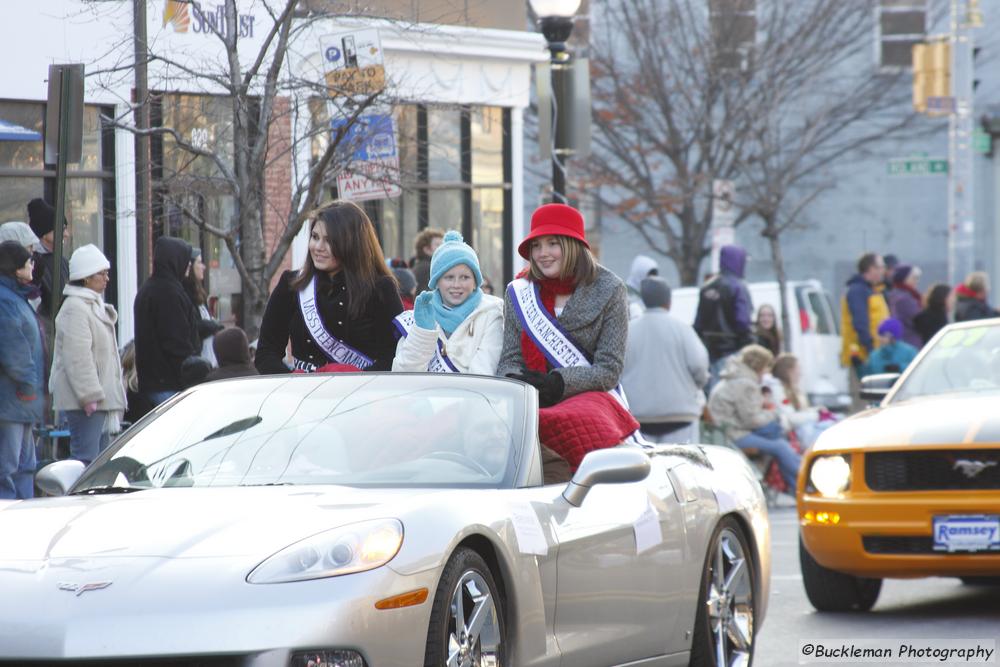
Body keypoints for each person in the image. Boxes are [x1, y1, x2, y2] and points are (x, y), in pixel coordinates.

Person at [497, 203, 638, 471]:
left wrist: (557, 383)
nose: (542, 254)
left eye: (552, 243)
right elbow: (509, 360)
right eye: (536, 246)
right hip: (531, 398)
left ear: (573, 245)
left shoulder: (610, 289)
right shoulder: (520, 292)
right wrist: (518, 385)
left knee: (572, 421)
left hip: (588, 396)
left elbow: (609, 370)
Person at [256, 201, 403, 374]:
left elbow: (394, 357)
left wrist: (354, 381)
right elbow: (266, 354)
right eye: (315, 237)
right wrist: (292, 381)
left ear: (352, 244)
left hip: (360, 394)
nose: (318, 247)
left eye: (329, 241)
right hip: (304, 393)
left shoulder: (380, 288)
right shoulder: (291, 285)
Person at [49, 245, 126, 465]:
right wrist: (89, 396)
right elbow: (78, 358)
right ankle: (78, 500)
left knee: (99, 464)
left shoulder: (92, 305)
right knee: (86, 462)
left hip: (99, 401)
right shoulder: (75, 308)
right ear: (85, 278)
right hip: (88, 403)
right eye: (101, 273)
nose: (107, 278)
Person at [392, 231, 503, 374]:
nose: (456, 284)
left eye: (465, 277)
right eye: (449, 277)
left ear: (476, 282)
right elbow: (403, 374)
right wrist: (422, 333)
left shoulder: (491, 313)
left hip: (470, 396)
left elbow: (484, 372)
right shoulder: (419, 316)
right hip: (424, 395)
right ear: (436, 282)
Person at [621, 276, 709, 444]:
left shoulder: (628, 331)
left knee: (647, 468)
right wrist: (696, 385)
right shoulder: (683, 329)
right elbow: (699, 366)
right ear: (669, 301)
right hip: (680, 414)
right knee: (680, 465)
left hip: (638, 415)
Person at [708, 345, 801, 491]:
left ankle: (797, 485)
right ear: (759, 367)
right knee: (780, 445)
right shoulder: (745, 383)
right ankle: (803, 483)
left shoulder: (734, 378)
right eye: (765, 368)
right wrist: (774, 413)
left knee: (778, 438)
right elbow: (752, 420)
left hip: (724, 431)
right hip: (733, 435)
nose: (766, 373)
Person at [133, 237, 201, 408]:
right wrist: (191, 372)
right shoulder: (168, 293)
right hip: (169, 384)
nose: (189, 265)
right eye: (185, 259)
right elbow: (176, 341)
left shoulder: (149, 289)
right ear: (175, 260)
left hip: (154, 383)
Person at [0, 241, 44, 499]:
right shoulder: (6, 300)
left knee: (26, 466)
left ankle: (25, 513)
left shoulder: (17, 297)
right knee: (8, 466)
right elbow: (12, 347)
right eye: (28, 261)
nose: (32, 265)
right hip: (12, 397)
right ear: (16, 269)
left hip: (22, 399)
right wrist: (28, 383)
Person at [694, 244, 753, 388]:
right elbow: (742, 321)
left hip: (709, 352)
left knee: (713, 391)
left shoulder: (707, 286)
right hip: (732, 350)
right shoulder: (738, 287)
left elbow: (698, 323)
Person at [27, 198, 70, 350]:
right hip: (46, 340)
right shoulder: (32, 264)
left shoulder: (63, 262)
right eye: (62, 228)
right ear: (45, 233)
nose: (66, 234)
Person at [769, 353, 836, 449]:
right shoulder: (778, 390)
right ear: (789, 371)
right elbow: (791, 418)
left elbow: (801, 411)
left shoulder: (793, 388)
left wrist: (817, 410)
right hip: (797, 435)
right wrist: (816, 415)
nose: (800, 373)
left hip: (804, 430)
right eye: (798, 368)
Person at [840, 252, 889, 374]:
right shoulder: (858, 291)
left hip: (874, 354)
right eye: (881, 267)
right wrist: (871, 350)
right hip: (863, 357)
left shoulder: (873, 290)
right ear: (871, 269)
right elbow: (860, 323)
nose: (884, 270)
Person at [183, 248, 224, 366]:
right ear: (190, 266)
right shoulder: (184, 293)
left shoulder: (199, 292)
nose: (203, 267)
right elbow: (193, 325)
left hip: (209, 355)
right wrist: (213, 325)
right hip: (197, 356)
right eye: (199, 262)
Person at [887, 264, 923, 348]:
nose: (916, 281)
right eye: (913, 278)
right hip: (910, 341)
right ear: (903, 279)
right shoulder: (904, 298)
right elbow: (918, 319)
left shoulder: (895, 294)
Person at [410, 227, 444, 294]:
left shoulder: (419, 266)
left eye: (443, 245)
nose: (443, 248)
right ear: (426, 249)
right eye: (438, 245)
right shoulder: (428, 269)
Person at [626, 254, 659, 320]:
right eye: (649, 276)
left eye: (654, 276)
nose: (652, 280)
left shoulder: (649, 296)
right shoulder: (626, 295)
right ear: (639, 274)